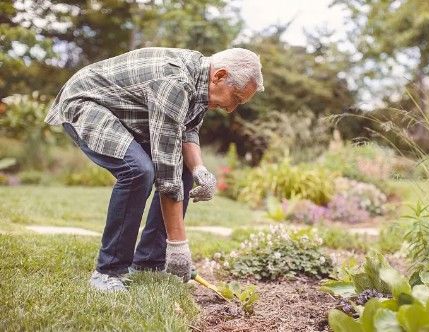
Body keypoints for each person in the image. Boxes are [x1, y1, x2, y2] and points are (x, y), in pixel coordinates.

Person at [44, 47, 264, 292]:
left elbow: (187, 131)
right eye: (236, 98)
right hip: (87, 102)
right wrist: (179, 247)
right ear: (220, 76)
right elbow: (167, 170)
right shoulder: (176, 82)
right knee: (138, 171)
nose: (231, 108)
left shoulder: (201, 84)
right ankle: (108, 272)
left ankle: (150, 262)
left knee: (185, 170)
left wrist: (199, 168)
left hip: (121, 113)